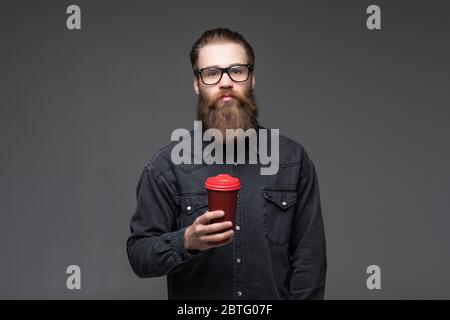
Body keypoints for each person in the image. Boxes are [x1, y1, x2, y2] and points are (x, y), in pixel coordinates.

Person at [126, 28, 327, 299]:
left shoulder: (292, 160)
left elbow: (309, 262)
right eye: (211, 73)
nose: (225, 82)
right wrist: (186, 241)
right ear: (197, 84)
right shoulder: (166, 167)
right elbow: (140, 256)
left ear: (252, 78)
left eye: (237, 70)